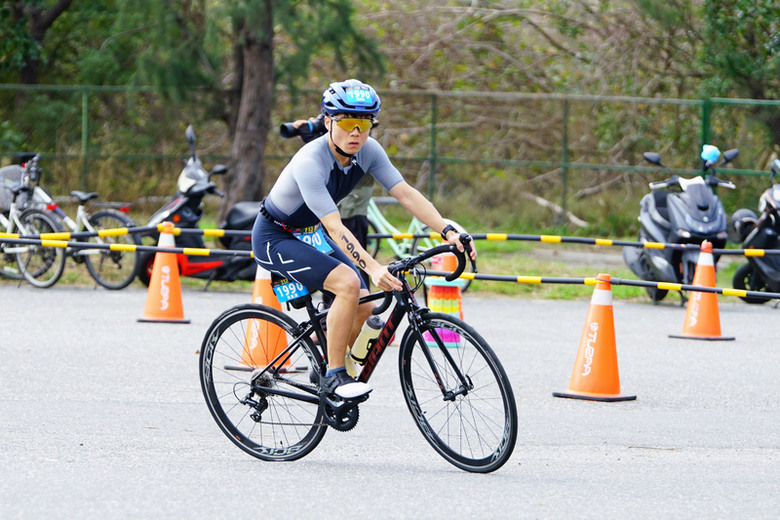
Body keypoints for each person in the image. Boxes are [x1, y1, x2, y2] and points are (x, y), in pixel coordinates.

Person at [252, 79, 475, 401]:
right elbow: (335, 228)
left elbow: (406, 194)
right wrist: (372, 267)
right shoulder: (310, 161)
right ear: (328, 122)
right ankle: (334, 375)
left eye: (365, 124)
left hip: (309, 234)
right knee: (347, 283)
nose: (356, 133)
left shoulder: (369, 151)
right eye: (347, 123)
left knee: (366, 305)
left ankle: (328, 362)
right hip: (275, 235)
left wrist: (449, 229)